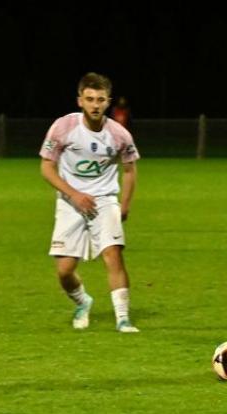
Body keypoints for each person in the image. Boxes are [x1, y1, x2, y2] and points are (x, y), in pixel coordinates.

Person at [39, 72, 140, 333]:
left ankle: (123, 319)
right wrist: (74, 194)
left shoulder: (119, 134)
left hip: (104, 200)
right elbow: (47, 167)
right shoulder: (63, 127)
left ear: (109, 102)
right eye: (90, 99)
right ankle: (83, 302)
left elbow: (129, 170)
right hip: (70, 201)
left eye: (100, 99)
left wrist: (125, 205)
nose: (95, 104)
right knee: (64, 270)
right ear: (80, 101)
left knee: (113, 254)